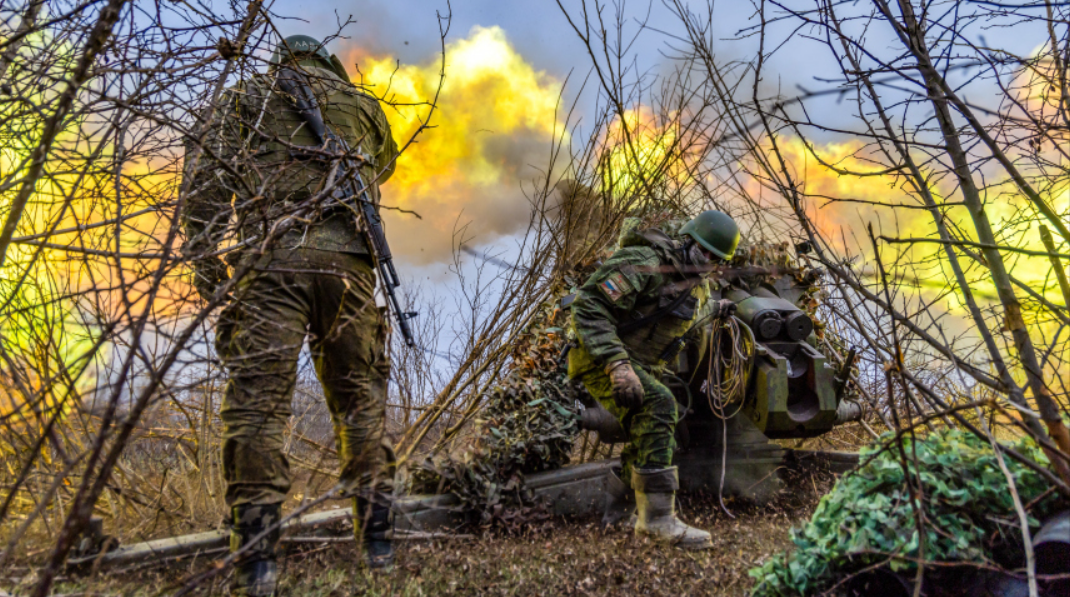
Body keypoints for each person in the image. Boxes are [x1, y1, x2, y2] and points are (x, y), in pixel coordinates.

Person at [181, 34, 400, 596]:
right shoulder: (364, 105)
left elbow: (204, 186)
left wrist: (210, 272)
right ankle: (377, 545)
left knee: (257, 404)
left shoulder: (242, 100)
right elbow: (386, 164)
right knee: (361, 399)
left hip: (271, 260)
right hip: (348, 266)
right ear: (324, 63)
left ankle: (257, 562)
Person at [567, 210, 740, 550]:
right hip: (598, 357)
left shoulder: (697, 288)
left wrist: (718, 309)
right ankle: (657, 521)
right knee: (660, 405)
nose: (707, 262)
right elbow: (588, 307)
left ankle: (619, 515)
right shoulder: (645, 261)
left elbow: (692, 316)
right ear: (688, 239)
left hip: (639, 366)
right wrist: (617, 365)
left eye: (715, 259)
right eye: (703, 252)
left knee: (656, 434)